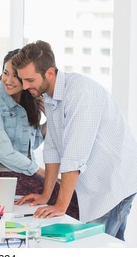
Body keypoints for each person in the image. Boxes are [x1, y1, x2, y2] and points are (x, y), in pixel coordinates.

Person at [13, 40, 137, 240]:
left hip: (113, 183)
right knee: (107, 247)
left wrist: (60, 206)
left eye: (29, 80)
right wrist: (46, 196)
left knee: (98, 247)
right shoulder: (51, 96)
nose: (25, 86)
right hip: (97, 184)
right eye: (22, 79)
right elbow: (53, 148)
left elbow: (74, 155)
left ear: (50, 73)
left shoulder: (80, 93)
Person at [0, 49, 79, 219]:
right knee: (71, 202)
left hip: (30, 172)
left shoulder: (30, 97)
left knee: (74, 198)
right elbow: (3, 152)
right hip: (10, 175)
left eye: (16, 76)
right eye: (5, 73)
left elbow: (34, 142)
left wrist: (50, 116)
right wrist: (40, 172)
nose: (8, 80)